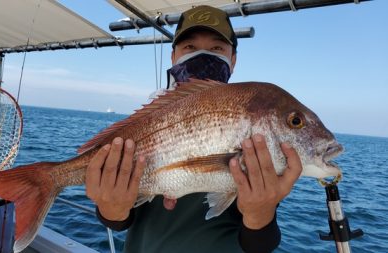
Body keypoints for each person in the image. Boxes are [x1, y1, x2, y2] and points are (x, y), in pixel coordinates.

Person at [85, 5, 302, 253]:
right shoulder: (148, 122)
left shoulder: (253, 123)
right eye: (189, 47)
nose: (203, 54)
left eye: (217, 48)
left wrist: (260, 213)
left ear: (233, 60)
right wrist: (110, 208)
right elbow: (119, 220)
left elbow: (260, 243)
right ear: (173, 56)